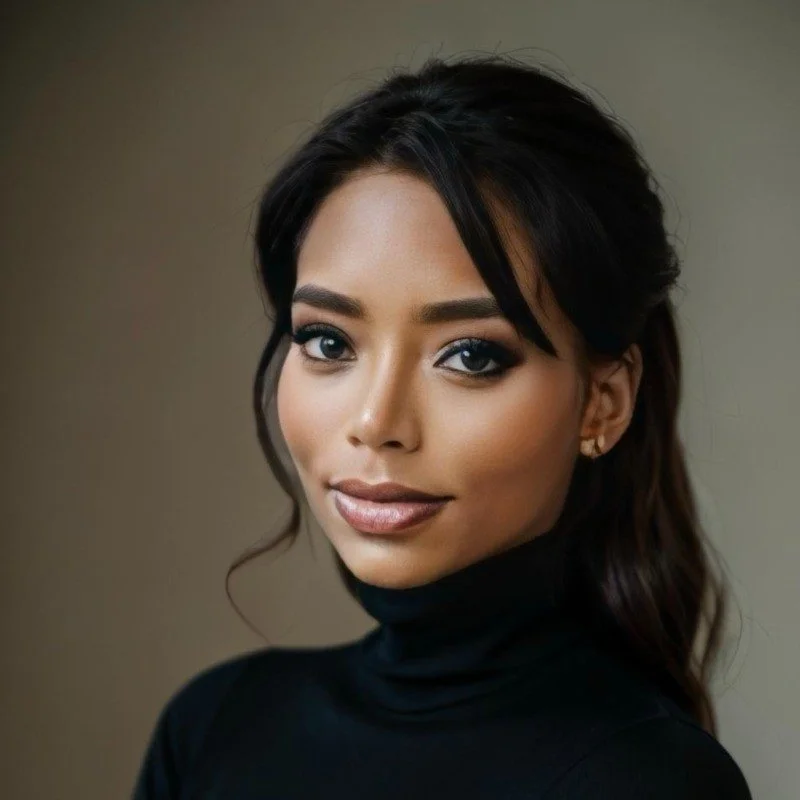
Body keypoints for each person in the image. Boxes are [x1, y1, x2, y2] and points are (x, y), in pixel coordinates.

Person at [131, 53, 752, 798]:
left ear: (603, 403)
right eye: (329, 342)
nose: (376, 421)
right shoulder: (213, 729)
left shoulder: (645, 780)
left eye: (469, 356)